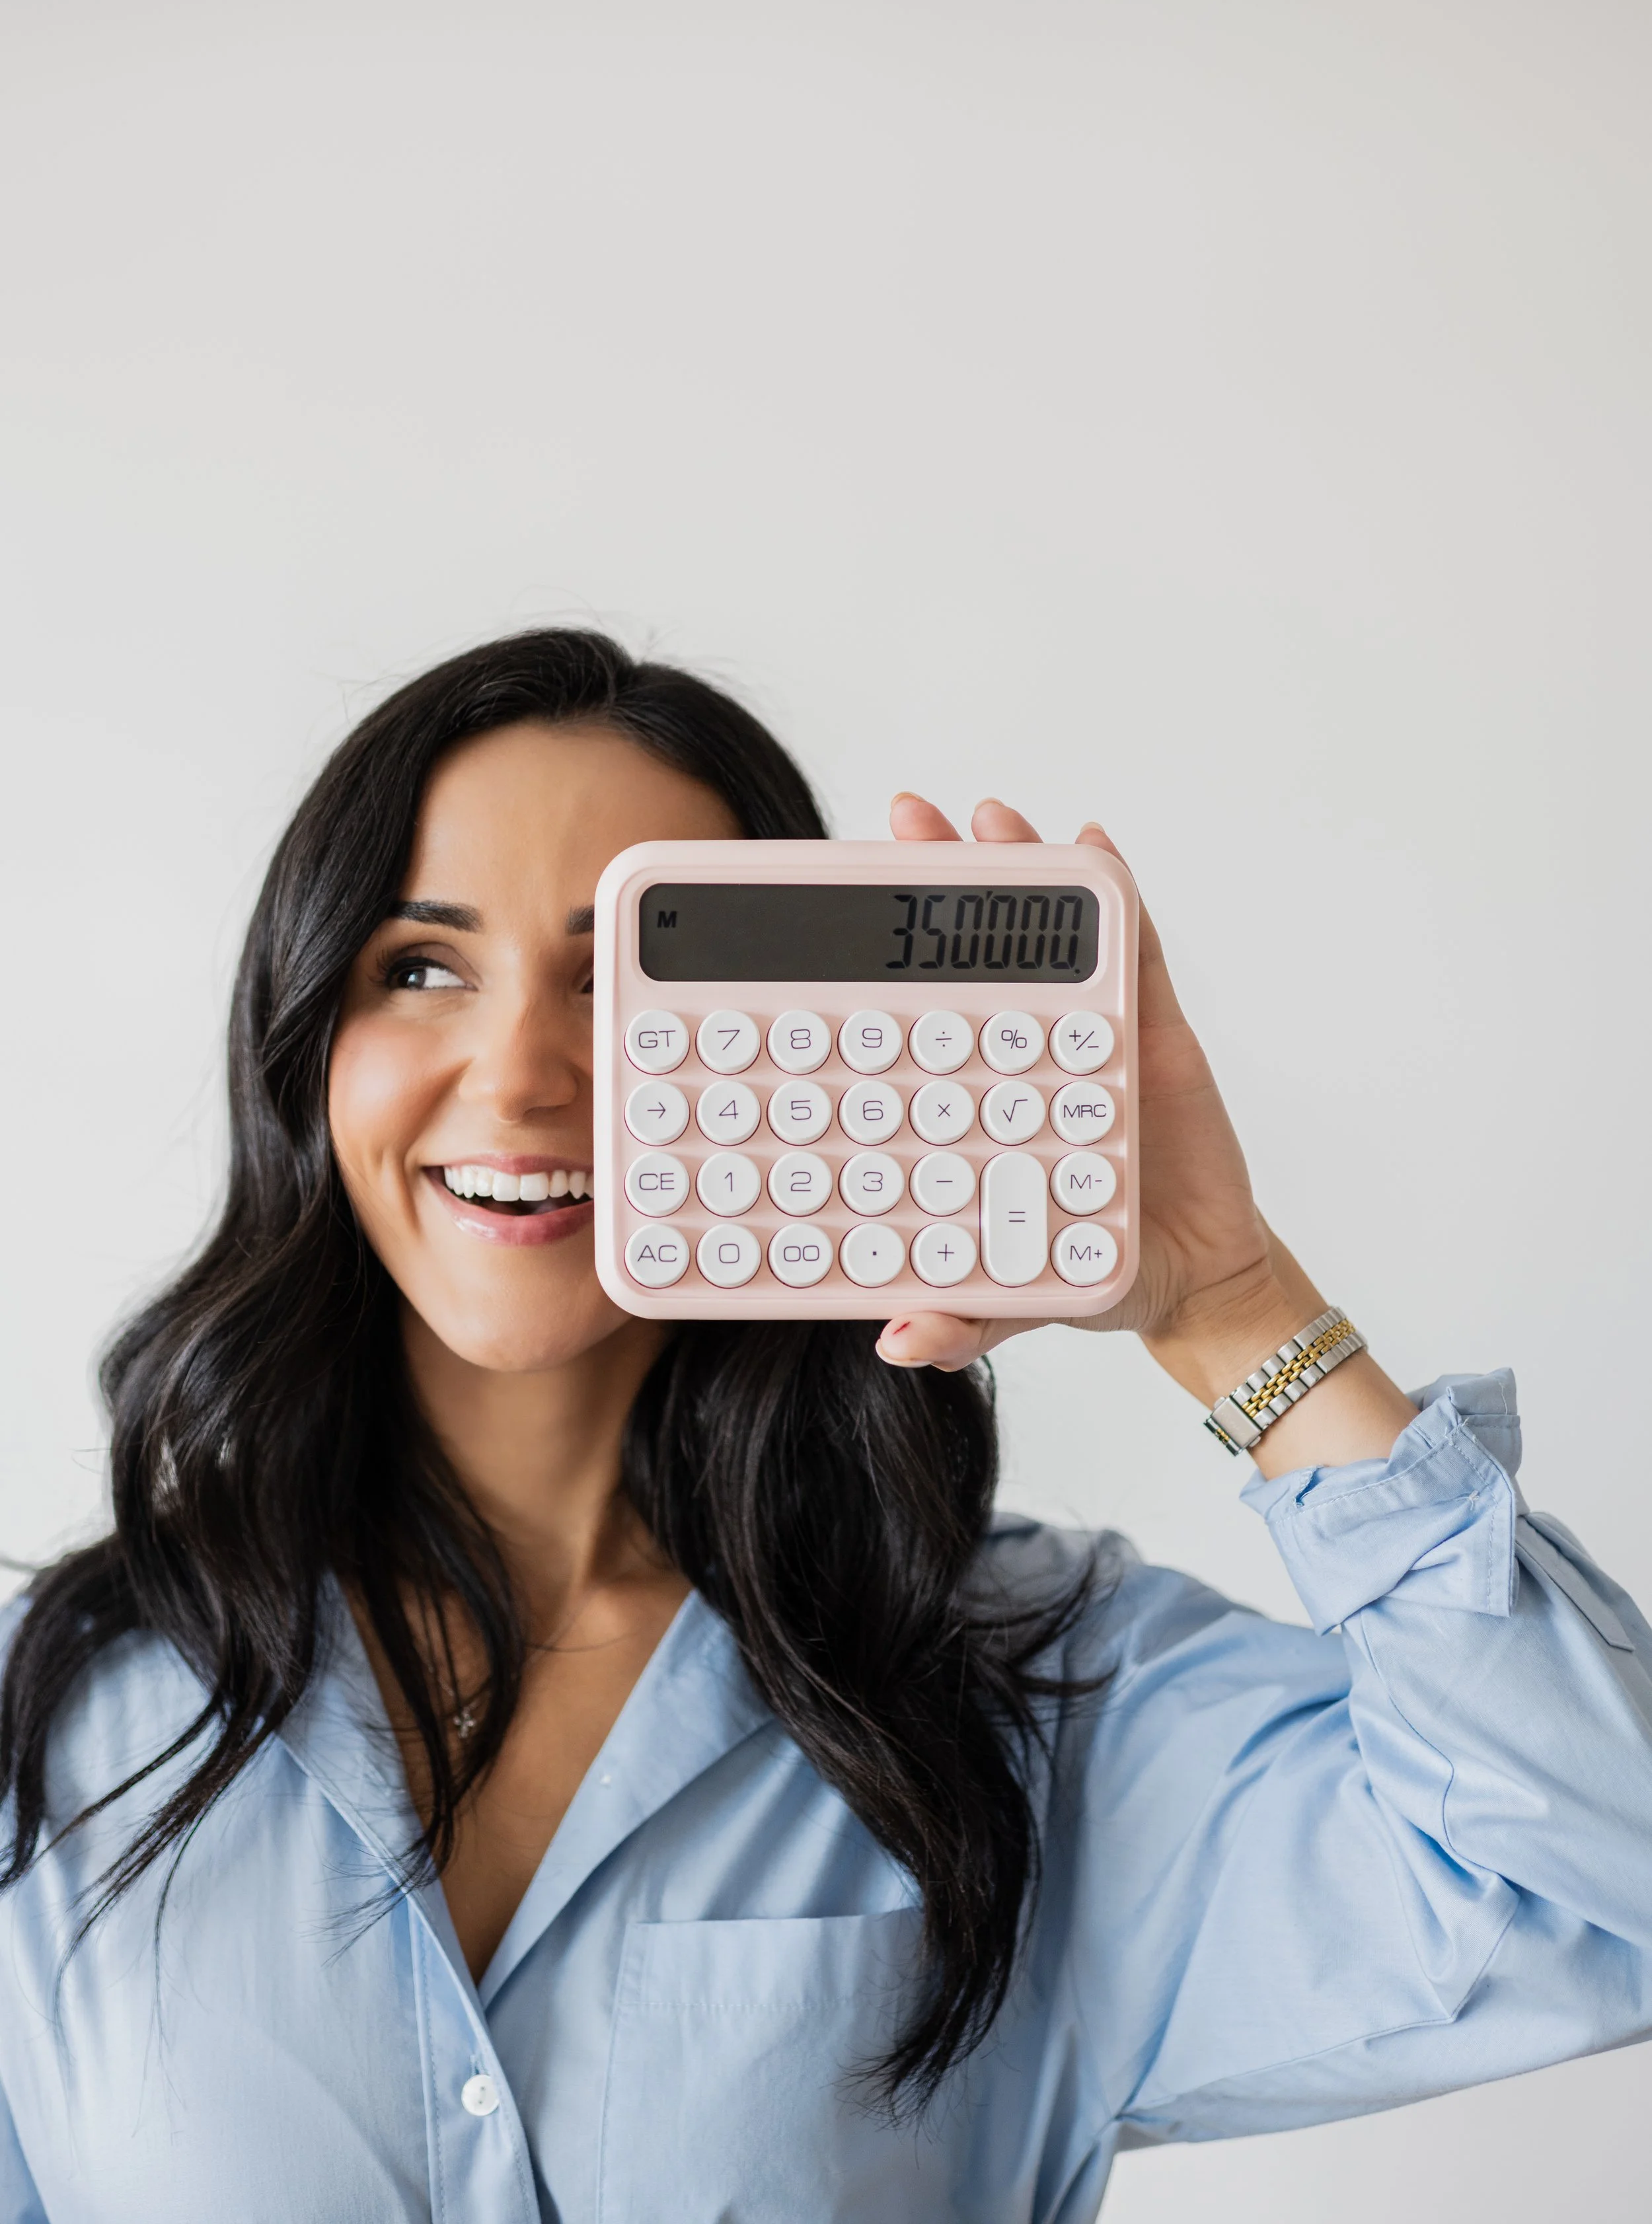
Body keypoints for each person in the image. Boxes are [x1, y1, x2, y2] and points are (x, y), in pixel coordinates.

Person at [1, 629, 1647, 2224]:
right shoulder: (48, 1722)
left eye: (621, 973)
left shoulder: (1032, 1702)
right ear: (306, 1044)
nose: (517, 1076)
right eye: (419, 965)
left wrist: (1227, 1302)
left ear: (793, 1048)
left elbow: (1604, 1889)